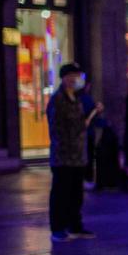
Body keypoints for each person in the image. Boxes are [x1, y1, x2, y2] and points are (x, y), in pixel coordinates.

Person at [47, 62, 101, 241]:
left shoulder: (76, 98)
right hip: (63, 155)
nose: (75, 80)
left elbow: (80, 123)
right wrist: (82, 125)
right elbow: (58, 128)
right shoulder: (58, 99)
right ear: (64, 78)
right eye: (72, 76)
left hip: (78, 155)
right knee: (61, 193)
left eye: (78, 76)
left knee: (76, 195)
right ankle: (58, 229)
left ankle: (75, 226)